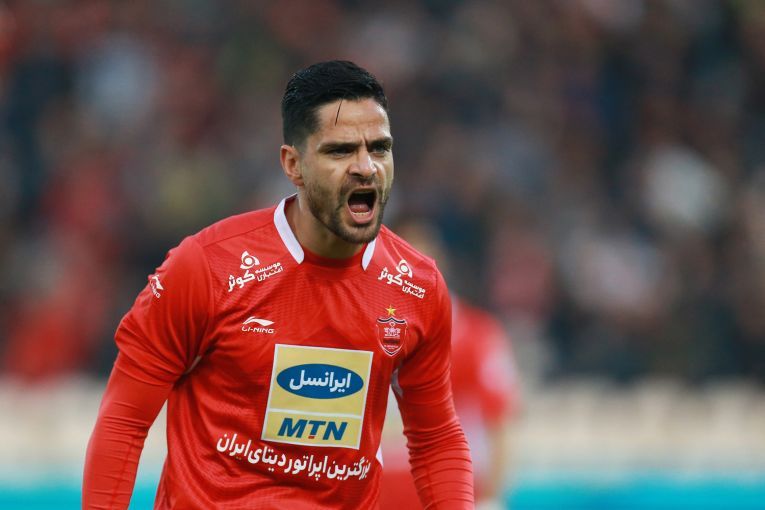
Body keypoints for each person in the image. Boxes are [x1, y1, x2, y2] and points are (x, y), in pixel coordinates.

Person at [82, 60, 473, 509]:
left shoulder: (416, 287)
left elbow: (436, 437)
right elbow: (124, 420)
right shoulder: (207, 267)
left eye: (379, 148)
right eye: (340, 151)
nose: (366, 167)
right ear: (294, 165)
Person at [378, 221, 520, 510]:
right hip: (378, 493)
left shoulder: (476, 333)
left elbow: (499, 423)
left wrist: (490, 498)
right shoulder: (363, 329)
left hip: (447, 491)